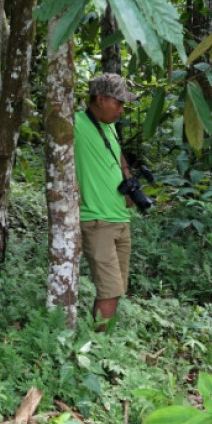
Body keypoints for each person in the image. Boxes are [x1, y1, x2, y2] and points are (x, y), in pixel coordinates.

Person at [74, 73, 140, 328]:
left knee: (117, 288)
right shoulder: (75, 123)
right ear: (100, 99)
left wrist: (128, 181)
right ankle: (100, 348)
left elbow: (118, 155)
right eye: (119, 103)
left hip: (120, 219)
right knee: (110, 291)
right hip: (97, 220)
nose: (122, 110)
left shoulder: (108, 125)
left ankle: (101, 341)